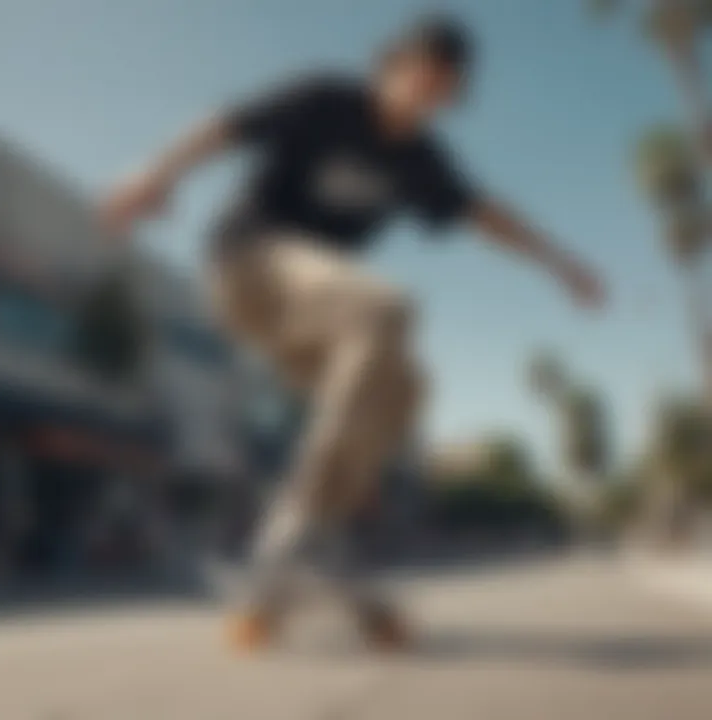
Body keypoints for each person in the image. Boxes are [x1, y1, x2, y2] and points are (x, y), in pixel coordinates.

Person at [101, 15, 605, 651]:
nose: (426, 94)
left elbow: (484, 213)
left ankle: (317, 536)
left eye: (443, 88)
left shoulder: (422, 159)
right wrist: (156, 173)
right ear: (389, 66)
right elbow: (226, 127)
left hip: (306, 322)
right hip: (249, 264)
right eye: (419, 74)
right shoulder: (325, 100)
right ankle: (296, 535)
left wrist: (559, 264)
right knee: (385, 308)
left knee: (403, 392)